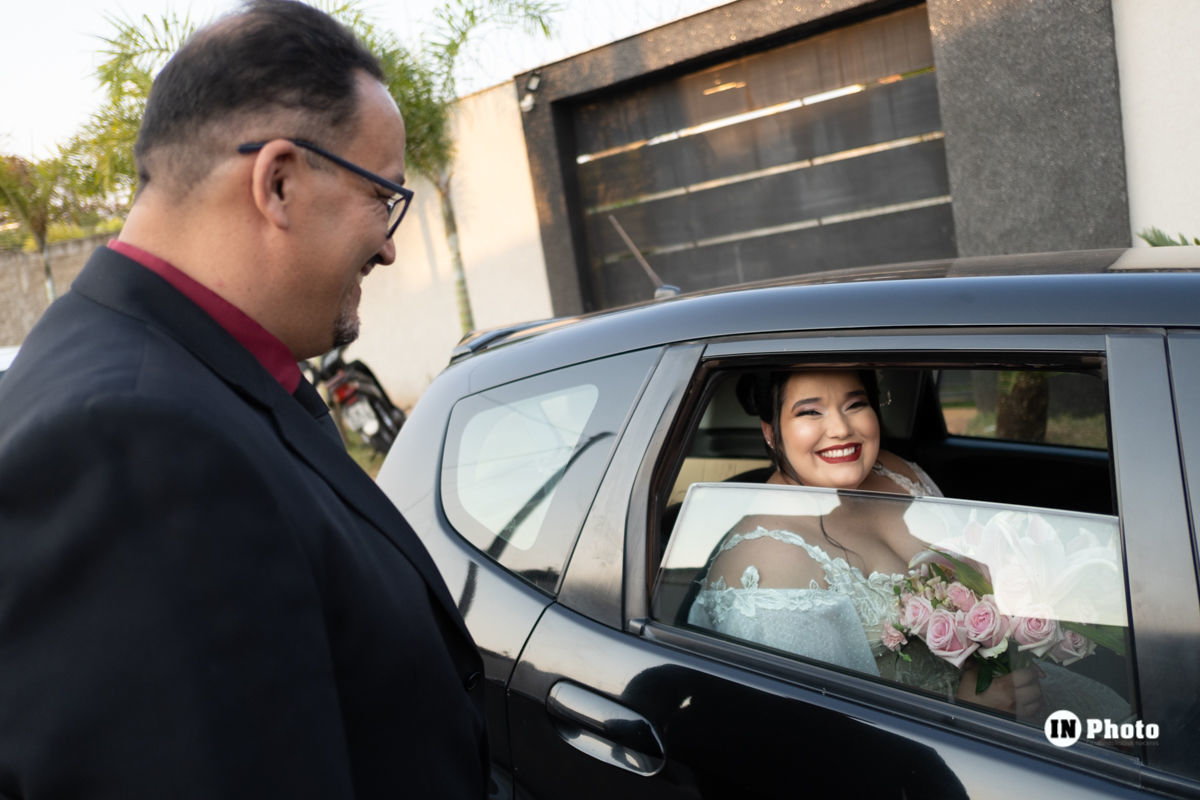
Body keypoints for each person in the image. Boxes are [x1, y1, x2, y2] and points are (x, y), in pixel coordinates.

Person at [0, 3, 487, 798]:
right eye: (384, 197)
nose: (392, 244)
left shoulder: (187, 381)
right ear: (281, 182)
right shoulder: (131, 442)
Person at [687, 369, 1044, 718]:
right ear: (770, 431)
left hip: (1021, 692)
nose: (842, 429)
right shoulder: (768, 563)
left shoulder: (898, 473)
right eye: (810, 411)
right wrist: (963, 714)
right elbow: (825, 731)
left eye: (855, 404)